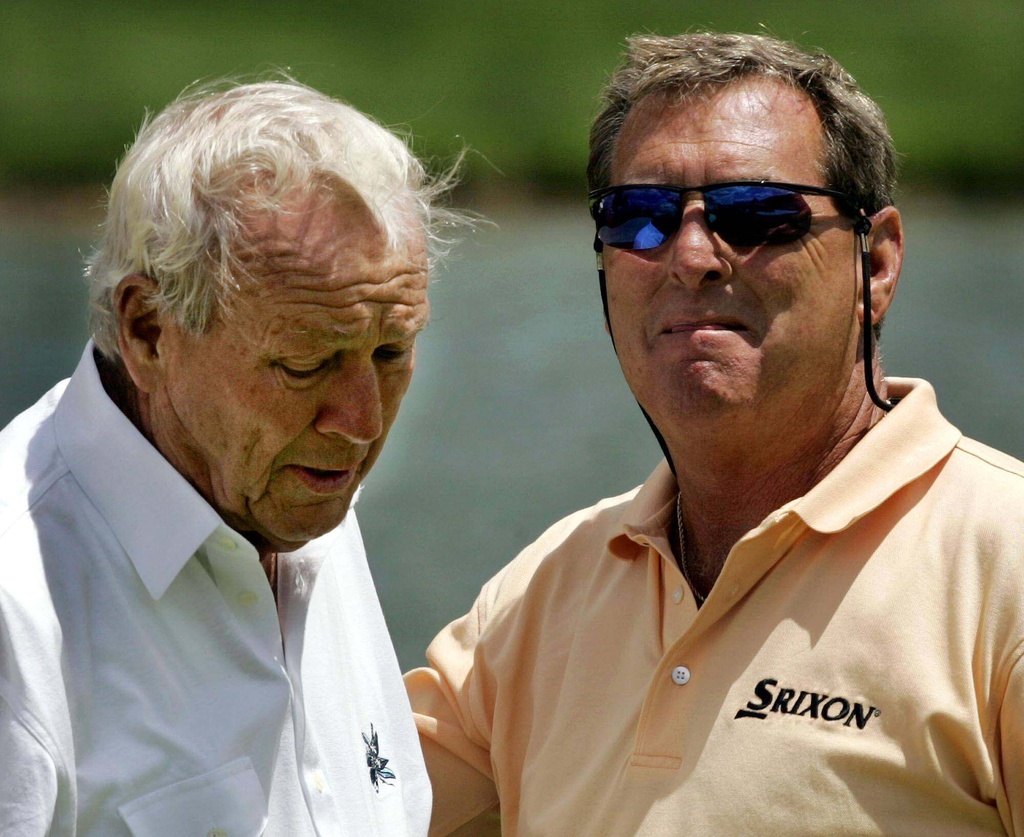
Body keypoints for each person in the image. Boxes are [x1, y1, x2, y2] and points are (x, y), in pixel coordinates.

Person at [405, 32, 1024, 836]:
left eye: (756, 212)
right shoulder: (533, 602)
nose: (692, 254)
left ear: (875, 264)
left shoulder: (1002, 565)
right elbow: (323, 802)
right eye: (640, 217)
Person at [0, 79, 464, 835]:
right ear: (149, 329)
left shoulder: (296, 488)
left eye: (391, 352)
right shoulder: (15, 605)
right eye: (305, 364)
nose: (362, 421)